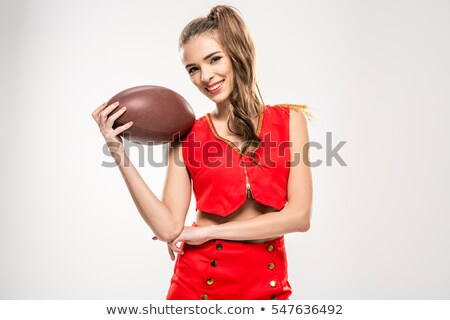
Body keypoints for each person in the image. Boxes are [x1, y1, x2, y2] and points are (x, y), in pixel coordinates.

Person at [91, 5, 312, 300]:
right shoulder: (186, 135)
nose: (205, 77)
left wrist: (207, 232)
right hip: (198, 284)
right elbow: (169, 228)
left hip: (267, 287)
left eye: (214, 59)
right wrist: (117, 150)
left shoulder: (290, 120)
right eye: (193, 69)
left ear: (238, 53)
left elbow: (299, 217)